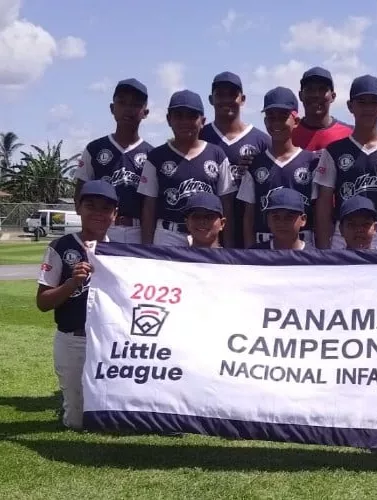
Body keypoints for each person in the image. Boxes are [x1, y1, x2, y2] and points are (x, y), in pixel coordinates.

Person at [36, 180, 118, 430]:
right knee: (77, 421)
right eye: (90, 205)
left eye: (106, 208)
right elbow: (42, 302)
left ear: (115, 215)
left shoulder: (120, 251)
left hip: (108, 340)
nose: (98, 213)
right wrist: (72, 283)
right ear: (78, 208)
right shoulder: (62, 246)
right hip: (74, 338)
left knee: (112, 415)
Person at [313, 74, 377, 250]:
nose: (368, 108)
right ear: (350, 106)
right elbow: (324, 204)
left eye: (374, 102)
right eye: (362, 102)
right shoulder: (334, 151)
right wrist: (322, 249)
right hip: (343, 233)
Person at [137, 89, 236, 247]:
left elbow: (227, 204)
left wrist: (228, 247)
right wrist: (146, 248)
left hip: (207, 234)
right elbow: (149, 206)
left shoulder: (216, 154)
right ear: (169, 119)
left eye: (192, 116)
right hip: (168, 234)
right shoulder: (156, 156)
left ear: (202, 121)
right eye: (179, 116)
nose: (185, 121)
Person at [73, 78, 153, 244]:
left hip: (137, 231)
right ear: (112, 108)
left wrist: (147, 243)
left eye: (135, 104)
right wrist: (88, 232)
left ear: (145, 112)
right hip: (101, 229)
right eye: (122, 103)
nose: (128, 109)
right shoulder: (94, 149)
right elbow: (79, 196)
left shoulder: (152, 154)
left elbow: (150, 204)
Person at [237, 87, 318, 248]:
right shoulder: (255, 164)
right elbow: (249, 216)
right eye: (271, 117)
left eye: (283, 117)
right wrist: (249, 253)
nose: (276, 123)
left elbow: (320, 212)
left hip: (302, 244)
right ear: (265, 121)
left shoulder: (311, 161)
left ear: (296, 121)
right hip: (263, 243)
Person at [200, 71, 270, 248]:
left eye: (232, 94)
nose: (226, 100)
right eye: (220, 95)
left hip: (250, 223)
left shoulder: (261, 140)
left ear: (243, 99)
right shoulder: (201, 136)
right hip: (207, 224)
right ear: (211, 99)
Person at [293, 66, 353, 152]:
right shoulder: (289, 137)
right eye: (310, 89)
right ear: (300, 95)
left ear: (333, 96)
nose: (315, 95)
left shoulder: (350, 135)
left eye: (322, 89)